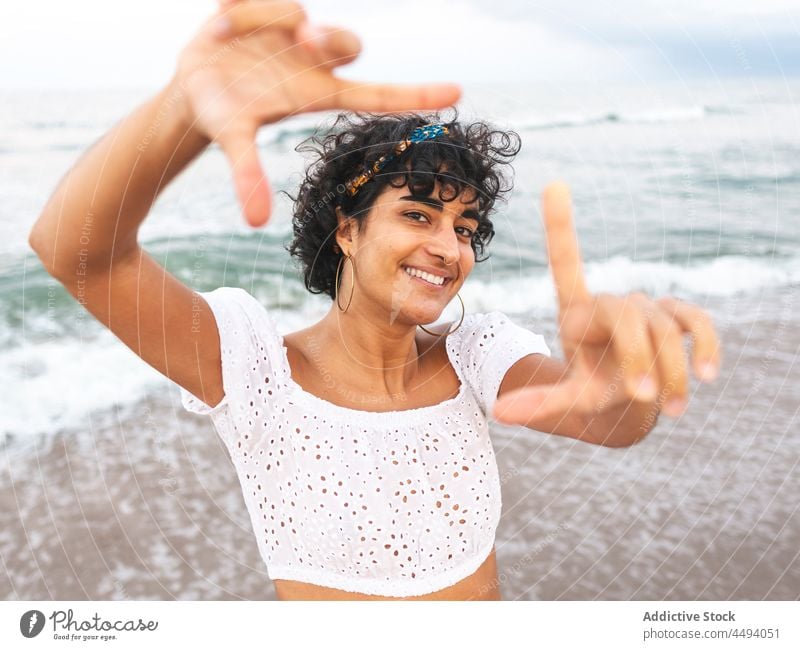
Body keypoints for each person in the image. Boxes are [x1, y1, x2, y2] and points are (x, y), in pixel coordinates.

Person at [28, 2, 721, 601]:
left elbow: (618, 422)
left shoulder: (476, 354)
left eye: (467, 227)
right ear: (348, 229)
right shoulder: (255, 369)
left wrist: (624, 383)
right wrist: (181, 106)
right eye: (418, 215)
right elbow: (78, 252)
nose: (450, 248)